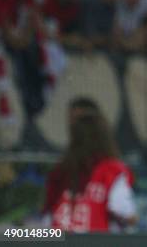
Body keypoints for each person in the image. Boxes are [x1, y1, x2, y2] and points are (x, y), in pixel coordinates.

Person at [43, 98, 136, 232]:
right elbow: (124, 211)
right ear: (105, 136)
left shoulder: (60, 171)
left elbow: (48, 216)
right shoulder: (113, 170)